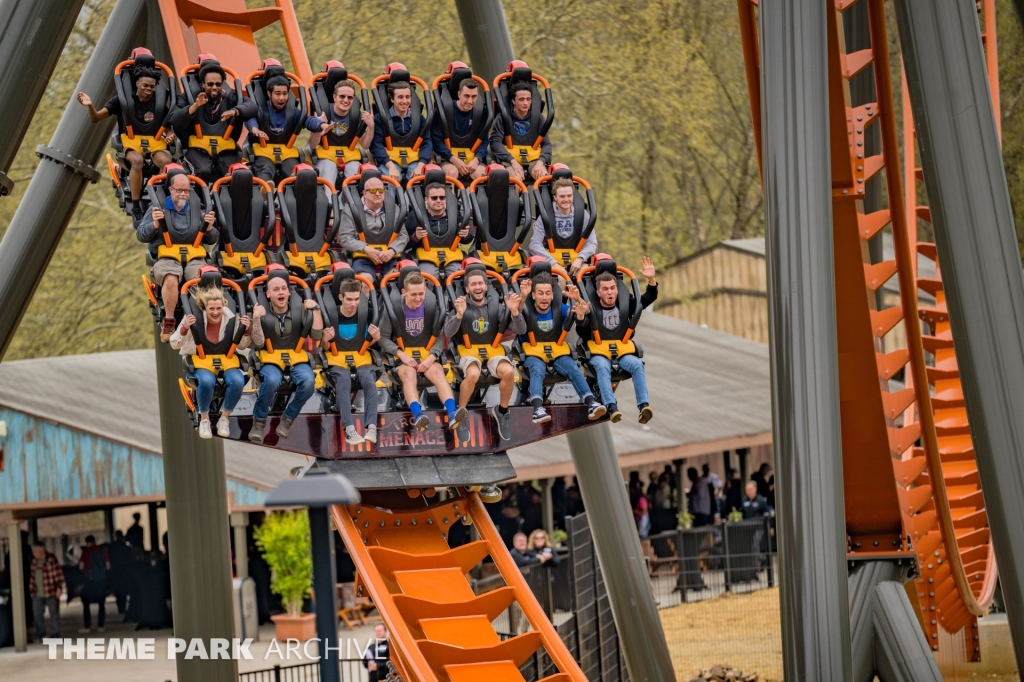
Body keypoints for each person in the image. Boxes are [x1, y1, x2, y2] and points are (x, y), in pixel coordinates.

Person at [77, 66, 175, 220]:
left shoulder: (159, 104)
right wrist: (90, 105)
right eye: (145, 86)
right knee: (137, 161)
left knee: (167, 161)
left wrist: (170, 135)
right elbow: (96, 118)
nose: (149, 89)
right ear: (137, 84)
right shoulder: (122, 100)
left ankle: (161, 201)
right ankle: (136, 205)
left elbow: (169, 129)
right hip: (131, 143)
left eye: (152, 86)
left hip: (154, 142)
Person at [443, 268, 526, 442]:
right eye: (473, 284)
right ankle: (461, 412)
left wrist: (515, 312)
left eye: (480, 283)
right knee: (473, 374)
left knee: (509, 372)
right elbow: (448, 332)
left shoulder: (497, 304)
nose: (477, 287)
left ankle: (502, 412)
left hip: (492, 347)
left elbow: (520, 330)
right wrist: (458, 315)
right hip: (468, 349)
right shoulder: (460, 303)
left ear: (486, 286)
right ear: (467, 289)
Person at [378, 271, 466, 431]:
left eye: (421, 293)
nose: (418, 298)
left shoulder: (433, 306)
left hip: (427, 352)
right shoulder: (392, 307)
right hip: (403, 353)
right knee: (409, 374)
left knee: (439, 374)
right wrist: (401, 355)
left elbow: (441, 336)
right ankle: (418, 415)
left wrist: (432, 357)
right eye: (413, 295)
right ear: (404, 292)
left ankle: (452, 413)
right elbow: (382, 338)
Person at [136, 171, 219, 341]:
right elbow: (141, 235)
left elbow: (212, 239)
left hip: (194, 256)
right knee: (171, 278)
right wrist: (154, 224)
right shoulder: (157, 208)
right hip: (167, 257)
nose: (183, 194)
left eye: (186, 191)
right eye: (179, 190)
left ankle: (204, 320)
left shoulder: (197, 210)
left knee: (202, 278)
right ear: (170, 190)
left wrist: (209, 228)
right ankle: (169, 320)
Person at [576, 256, 658, 424]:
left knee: (637, 364)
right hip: (598, 349)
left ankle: (644, 406)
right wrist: (581, 315)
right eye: (605, 289)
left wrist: (651, 280)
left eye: (613, 288)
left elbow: (647, 299)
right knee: (602, 366)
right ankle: (611, 407)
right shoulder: (589, 304)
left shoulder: (625, 303)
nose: (610, 292)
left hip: (621, 348)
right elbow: (583, 331)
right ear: (598, 292)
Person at [248, 269, 324, 443]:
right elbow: (258, 342)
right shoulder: (262, 311)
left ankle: (288, 418)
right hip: (270, 355)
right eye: (275, 290)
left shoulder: (299, 309)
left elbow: (317, 336)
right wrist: (256, 319)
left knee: (308, 381)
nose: (280, 292)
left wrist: (316, 310)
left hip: (295, 355)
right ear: (268, 294)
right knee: (272, 380)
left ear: (289, 291)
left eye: (284, 288)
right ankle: (259, 422)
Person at [518, 273, 605, 423]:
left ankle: (591, 402)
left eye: (547, 293)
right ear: (533, 295)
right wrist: (522, 298)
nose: (544, 298)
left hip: (556, 349)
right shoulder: (525, 308)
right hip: (532, 351)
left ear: (553, 295)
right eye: (540, 293)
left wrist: (578, 302)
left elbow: (583, 312)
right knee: (537, 369)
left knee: (573, 367)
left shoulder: (560, 308)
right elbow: (516, 316)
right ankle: (537, 408)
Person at [169, 286, 251, 438]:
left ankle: (224, 417)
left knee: (238, 380)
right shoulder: (193, 318)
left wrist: (245, 331)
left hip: (225, 359)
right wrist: (184, 328)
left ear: (223, 306)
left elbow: (242, 345)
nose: (215, 312)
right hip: (202, 360)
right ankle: (204, 419)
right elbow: (174, 343)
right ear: (204, 308)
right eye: (211, 309)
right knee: (206, 381)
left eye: (219, 308)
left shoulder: (232, 318)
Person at [169, 61, 256, 183]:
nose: (214, 87)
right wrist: (194, 106)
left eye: (218, 84)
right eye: (210, 84)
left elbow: (252, 106)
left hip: (225, 150)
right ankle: (202, 201)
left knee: (238, 173)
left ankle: (230, 201)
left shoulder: (230, 97)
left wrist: (235, 111)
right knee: (203, 171)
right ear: (203, 84)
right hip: (197, 149)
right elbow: (174, 120)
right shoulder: (188, 97)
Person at [321, 279, 382, 445]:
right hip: (337, 357)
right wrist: (325, 339)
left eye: (356, 299)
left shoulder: (366, 313)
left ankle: (371, 427)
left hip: (360, 356)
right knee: (343, 379)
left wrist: (375, 339)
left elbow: (366, 342)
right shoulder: (331, 314)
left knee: (369, 380)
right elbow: (325, 347)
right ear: (341, 297)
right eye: (349, 299)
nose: (353, 303)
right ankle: (349, 429)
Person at [245, 75, 330, 183]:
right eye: (277, 94)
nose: (282, 98)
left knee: (294, 172)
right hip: (263, 152)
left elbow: (307, 120)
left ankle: (297, 193)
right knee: (266, 169)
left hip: (286, 153)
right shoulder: (262, 109)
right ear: (269, 93)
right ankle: (265, 191)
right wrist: (254, 129)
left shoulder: (292, 111)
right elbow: (250, 118)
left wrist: (321, 125)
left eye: (285, 94)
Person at [335, 174, 407, 280]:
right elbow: (344, 237)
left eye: (381, 190)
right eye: (373, 191)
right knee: (365, 280)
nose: (378, 194)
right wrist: (366, 248)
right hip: (362, 255)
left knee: (396, 278)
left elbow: (403, 235)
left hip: (388, 255)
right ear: (364, 193)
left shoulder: (394, 209)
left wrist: (392, 250)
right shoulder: (350, 209)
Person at [308, 79, 374, 186]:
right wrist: (319, 128)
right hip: (325, 155)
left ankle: (352, 201)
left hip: (348, 156)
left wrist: (371, 126)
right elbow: (312, 144)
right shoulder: (324, 113)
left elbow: (365, 145)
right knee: (329, 168)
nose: (346, 100)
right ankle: (329, 202)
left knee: (356, 171)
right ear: (334, 97)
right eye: (342, 96)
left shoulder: (355, 116)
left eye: (350, 97)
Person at [529, 178, 597, 278]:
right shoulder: (546, 216)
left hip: (576, 260)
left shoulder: (582, 215)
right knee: (560, 278)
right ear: (555, 197)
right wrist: (553, 263)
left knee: (584, 276)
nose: (566, 199)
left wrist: (580, 258)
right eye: (562, 196)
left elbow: (592, 242)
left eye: (569, 196)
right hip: (552, 260)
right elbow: (534, 244)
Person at [371, 80, 431, 184]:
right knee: (390, 180)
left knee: (419, 180)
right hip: (389, 160)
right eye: (400, 97)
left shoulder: (418, 119)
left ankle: (414, 200)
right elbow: (376, 144)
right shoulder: (380, 118)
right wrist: (390, 166)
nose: (405, 101)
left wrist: (421, 166)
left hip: (414, 160)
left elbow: (427, 142)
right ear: (392, 99)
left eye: (407, 97)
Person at [489, 83, 551, 182]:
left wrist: (540, 162)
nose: (526, 103)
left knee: (543, 178)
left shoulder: (538, 117)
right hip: (509, 158)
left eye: (528, 99)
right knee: (516, 179)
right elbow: (495, 143)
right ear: (513, 101)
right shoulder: (503, 117)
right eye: (521, 99)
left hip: (533, 158)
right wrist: (512, 161)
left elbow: (547, 144)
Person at [408, 182, 469, 281]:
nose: (438, 201)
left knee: (459, 277)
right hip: (425, 257)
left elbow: (467, 240)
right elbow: (405, 244)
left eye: (442, 197)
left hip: (451, 257)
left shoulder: (455, 216)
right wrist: (415, 237)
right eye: (434, 198)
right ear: (426, 199)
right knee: (428, 277)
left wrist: (465, 235)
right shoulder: (415, 216)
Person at [431, 78, 489, 181]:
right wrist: (453, 159)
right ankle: (450, 196)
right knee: (452, 172)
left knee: (481, 174)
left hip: (472, 158)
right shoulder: (444, 110)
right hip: (448, 158)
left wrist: (477, 159)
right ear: (459, 94)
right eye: (466, 96)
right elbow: (436, 139)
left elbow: (484, 139)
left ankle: (480, 197)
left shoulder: (481, 112)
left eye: (474, 97)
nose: (470, 101)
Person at [29, 543, 63, 641]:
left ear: (41, 550)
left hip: (51, 592)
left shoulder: (51, 559)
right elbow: (32, 577)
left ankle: (55, 634)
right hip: (37, 593)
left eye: (35, 551)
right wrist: (31, 590)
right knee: (37, 614)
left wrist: (59, 587)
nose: (33, 553)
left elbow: (58, 574)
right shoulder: (34, 561)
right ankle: (41, 634)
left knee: (54, 613)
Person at [78, 535, 109, 633]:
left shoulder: (85, 552)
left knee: (86, 604)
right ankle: (101, 626)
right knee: (101, 603)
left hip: (90, 581)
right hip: (101, 580)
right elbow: (108, 566)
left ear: (87, 542)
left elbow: (81, 567)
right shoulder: (103, 551)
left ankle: (87, 627)